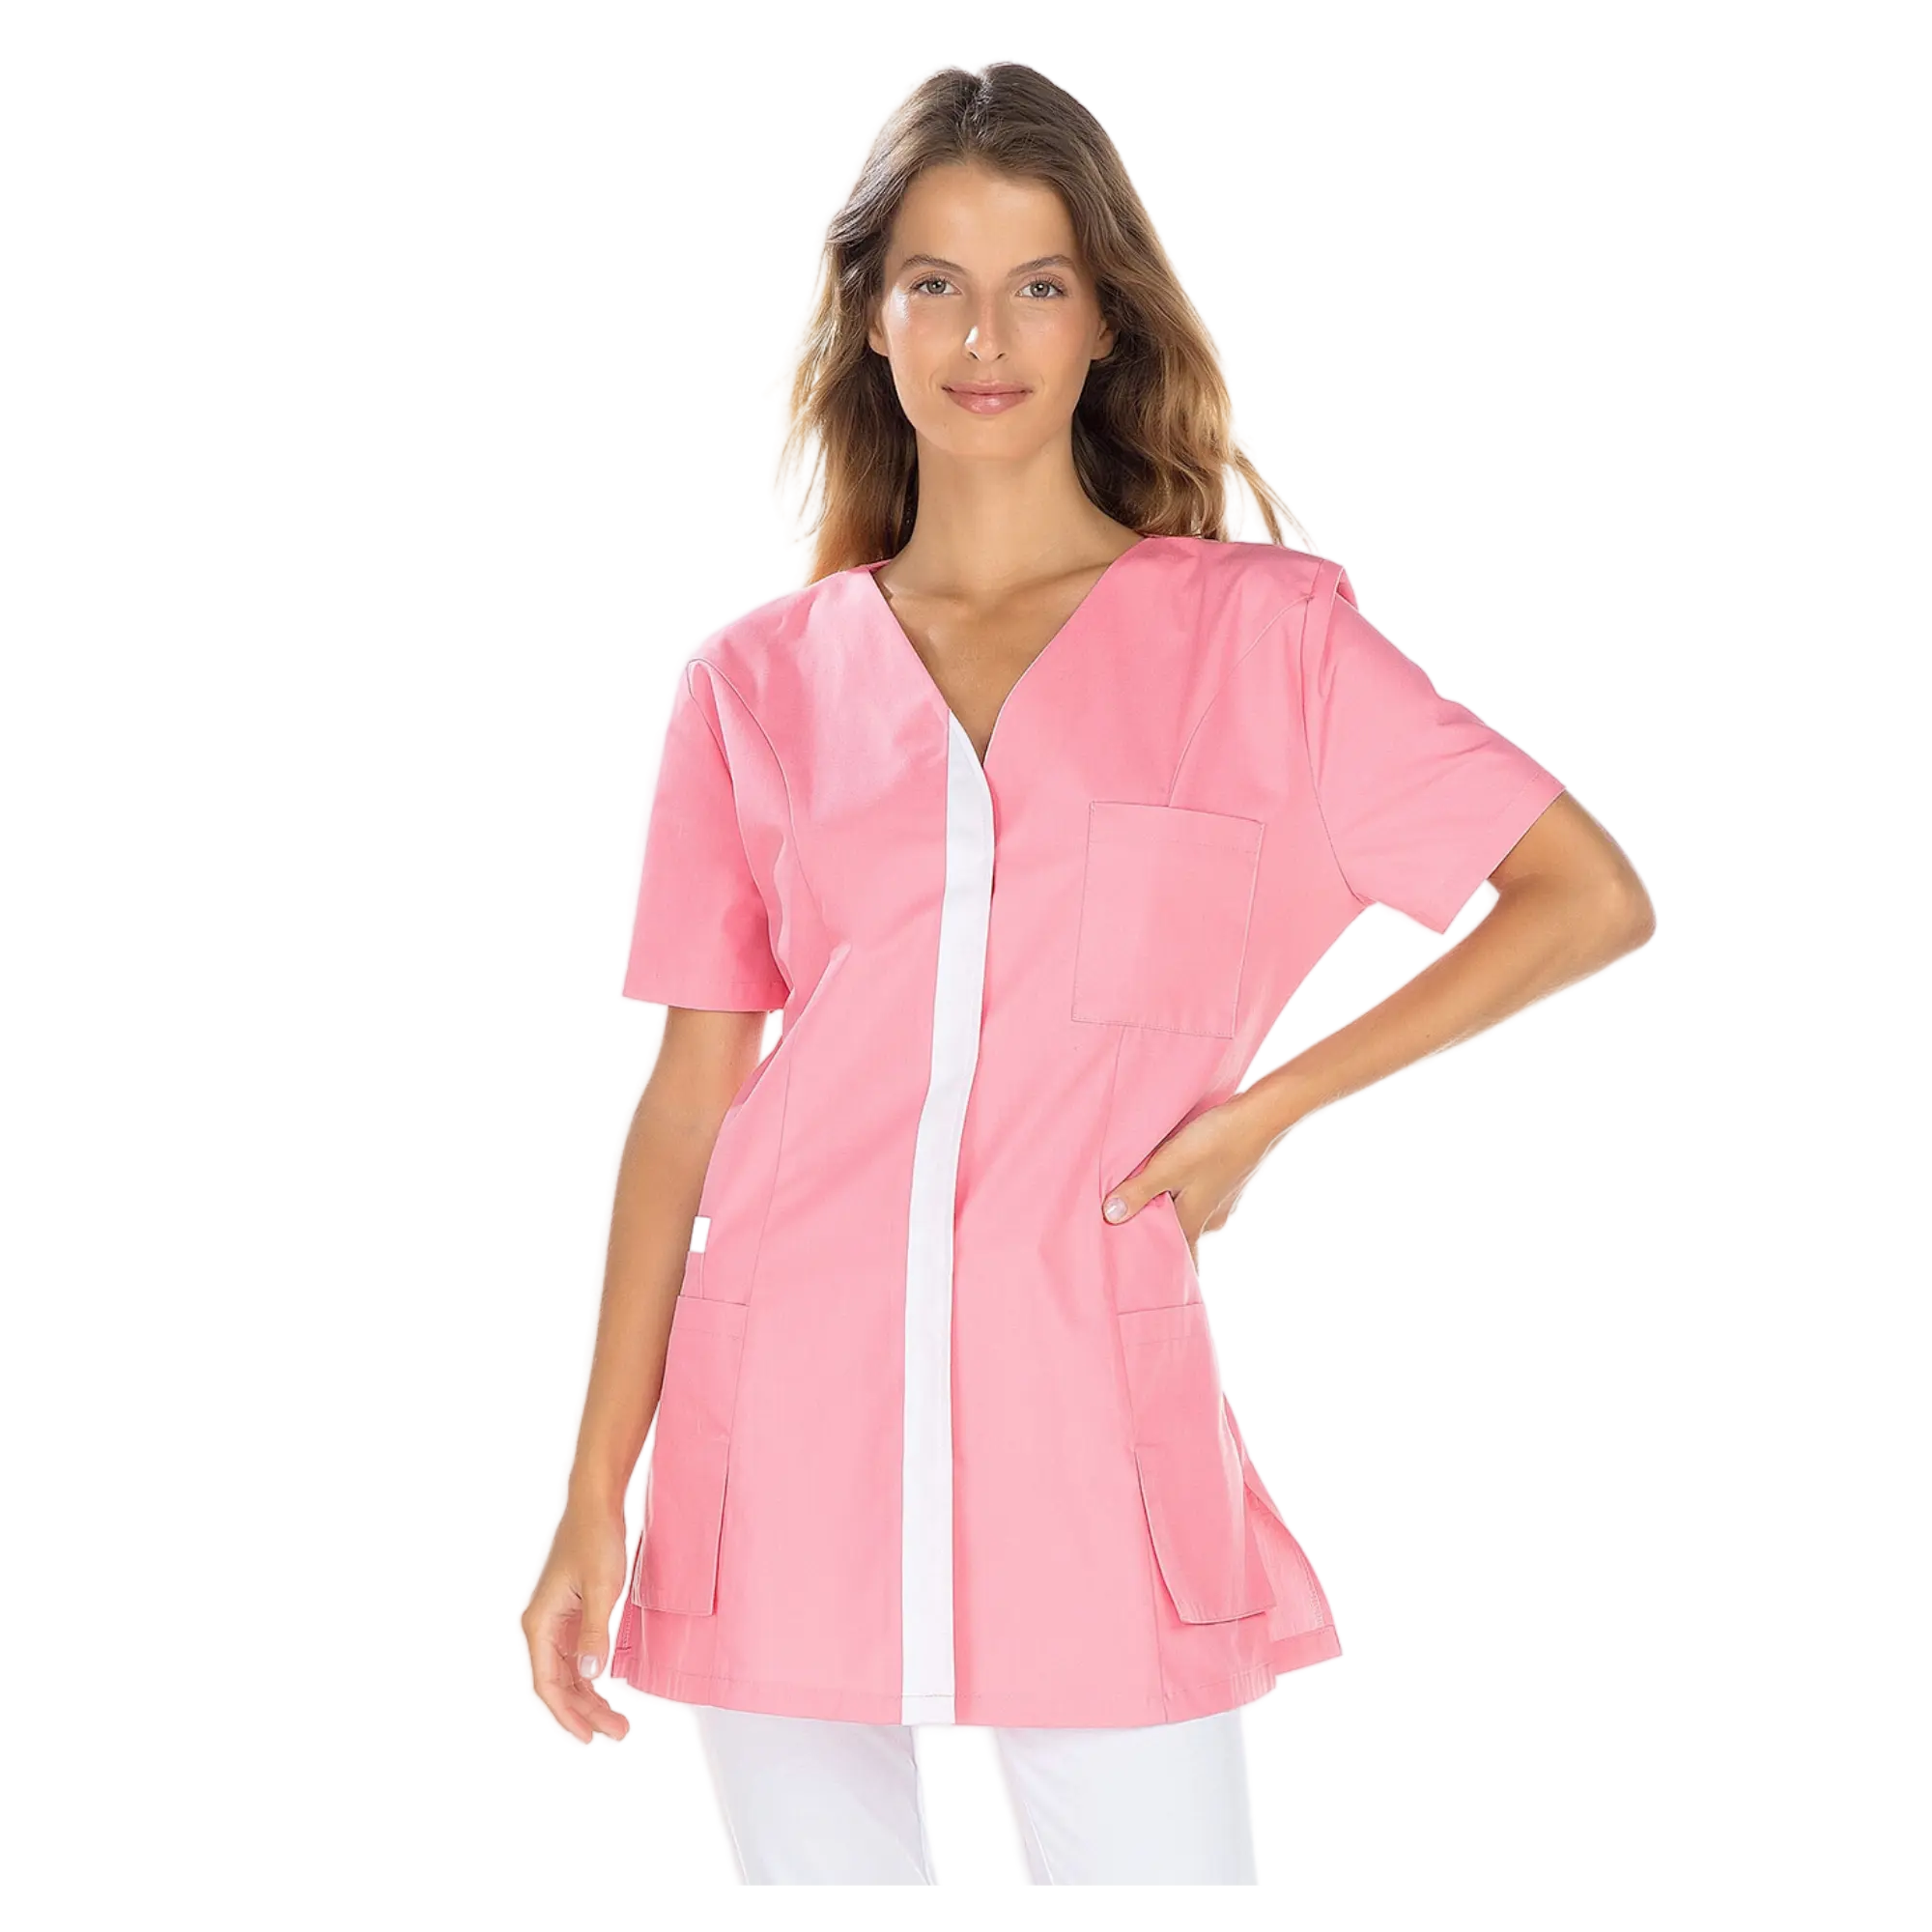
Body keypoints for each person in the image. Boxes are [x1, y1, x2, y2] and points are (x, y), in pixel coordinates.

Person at [518, 59, 1658, 1884]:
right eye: (937, 283)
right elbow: (685, 1103)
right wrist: (591, 1498)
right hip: (780, 1441)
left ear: (1106, 315)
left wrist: (1267, 1112)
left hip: (1092, 1444)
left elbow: (1581, 897)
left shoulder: (1261, 638)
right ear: (868, 317)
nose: (987, 338)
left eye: (1037, 283)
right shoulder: (749, 680)